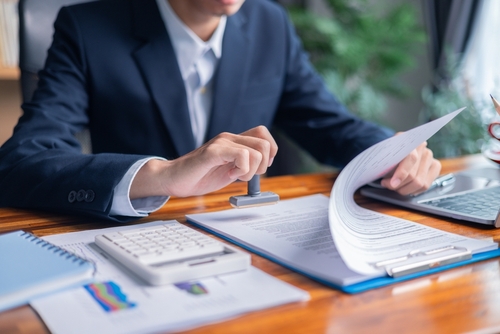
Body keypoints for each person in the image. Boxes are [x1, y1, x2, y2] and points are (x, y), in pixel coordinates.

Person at [0, 0, 440, 222]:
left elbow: (330, 125)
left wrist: (393, 152)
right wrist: (160, 175)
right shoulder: (88, 28)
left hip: (250, 238)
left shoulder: (270, 23)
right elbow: (21, 162)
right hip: (140, 240)